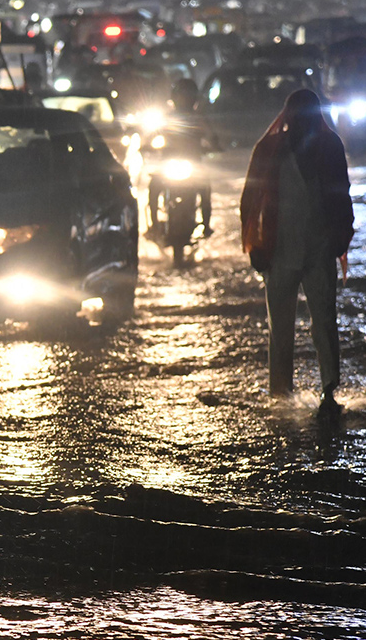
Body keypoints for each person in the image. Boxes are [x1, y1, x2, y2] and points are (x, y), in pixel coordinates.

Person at [241, 88, 354, 414]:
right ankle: (281, 395)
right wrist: (254, 246)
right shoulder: (269, 149)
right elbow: (249, 201)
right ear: (289, 118)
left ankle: (329, 390)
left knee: (324, 322)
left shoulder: (330, 148)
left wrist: (341, 238)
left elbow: (342, 195)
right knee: (281, 328)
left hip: (319, 247)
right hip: (277, 249)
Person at [147, 78, 217, 238]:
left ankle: (206, 225)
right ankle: (154, 225)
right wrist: (147, 145)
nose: (184, 99)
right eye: (181, 96)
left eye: (187, 96)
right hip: (167, 164)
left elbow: (211, 136)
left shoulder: (199, 119)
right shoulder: (166, 118)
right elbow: (151, 136)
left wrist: (214, 144)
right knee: (154, 187)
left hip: (193, 165)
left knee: (205, 188)